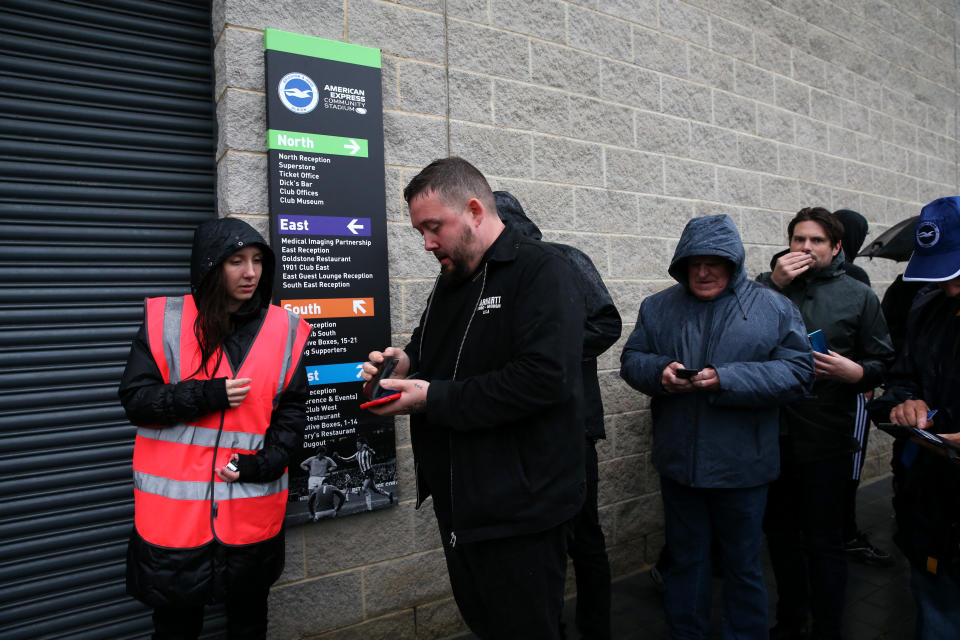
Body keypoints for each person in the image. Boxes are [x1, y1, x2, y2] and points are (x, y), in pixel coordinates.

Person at [361, 157, 586, 639]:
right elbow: (424, 352)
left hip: (522, 513)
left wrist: (430, 398)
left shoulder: (545, 271)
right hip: (461, 503)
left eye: (433, 226)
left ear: (475, 210)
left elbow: (545, 379)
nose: (426, 243)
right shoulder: (449, 281)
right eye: (419, 230)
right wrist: (400, 367)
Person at [620, 214, 814, 639]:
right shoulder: (658, 307)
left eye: (715, 262)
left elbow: (800, 373)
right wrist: (660, 374)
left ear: (734, 263)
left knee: (743, 566)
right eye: (694, 263)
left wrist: (728, 378)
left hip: (743, 468)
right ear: (682, 264)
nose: (703, 271)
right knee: (686, 563)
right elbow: (631, 360)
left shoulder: (774, 307)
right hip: (679, 466)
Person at [118, 217, 311, 639]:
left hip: (250, 512)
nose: (250, 273)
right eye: (236, 261)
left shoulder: (286, 329)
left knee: (247, 625)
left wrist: (262, 464)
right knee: (175, 629)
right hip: (174, 524)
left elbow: (292, 414)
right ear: (210, 266)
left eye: (258, 260)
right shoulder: (165, 321)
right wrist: (206, 396)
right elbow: (136, 400)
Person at [758, 207, 894, 640]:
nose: (805, 248)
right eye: (799, 239)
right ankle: (790, 619)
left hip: (826, 436)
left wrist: (859, 374)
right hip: (771, 434)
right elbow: (738, 330)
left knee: (824, 542)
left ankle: (829, 627)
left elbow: (883, 360)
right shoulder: (767, 288)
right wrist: (772, 284)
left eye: (816, 240)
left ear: (836, 247)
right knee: (780, 539)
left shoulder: (858, 294)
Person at [495, 190, 621, 640]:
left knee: (585, 539)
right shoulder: (480, 274)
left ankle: (595, 630)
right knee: (530, 547)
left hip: (572, 427)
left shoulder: (565, 260)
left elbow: (608, 324)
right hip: (511, 431)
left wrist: (546, 354)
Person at [868, 196, 960, 639]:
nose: (952, 287)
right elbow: (898, 381)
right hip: (932, 506)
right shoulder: (928, 306)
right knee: (936, 614)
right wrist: (902, 405)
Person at [832, 209, 894, 566]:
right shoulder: (854, 277)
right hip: (851, 390)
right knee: (849, 466)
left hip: (839, 386)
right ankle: (846, 533)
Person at [334, 437, 393, 511]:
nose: (357, 445)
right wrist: (339, 457)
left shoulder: (367, 452)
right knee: (375, 490)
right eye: (356, 444)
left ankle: (369, 508)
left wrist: (368, 448)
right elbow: (348, 459)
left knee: (364, 489)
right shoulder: (357, 454)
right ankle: (389, 494)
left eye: (358, 444)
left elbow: (374, 453)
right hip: (365, 474)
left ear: (362, 445)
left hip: (369, 472)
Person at [300, 446, 338, 519]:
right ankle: (311, 513)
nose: (323, 455)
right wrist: (306, 469)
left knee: (324, 495)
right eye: (321, 453)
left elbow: (335, 465)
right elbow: (302, 464)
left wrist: (329, 470)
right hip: (313, 478)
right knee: (311, 496)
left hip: (322, 478)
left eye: (324, 454)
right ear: (318, 453)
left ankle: (328, 510)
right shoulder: (311, 459)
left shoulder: (327, 459)